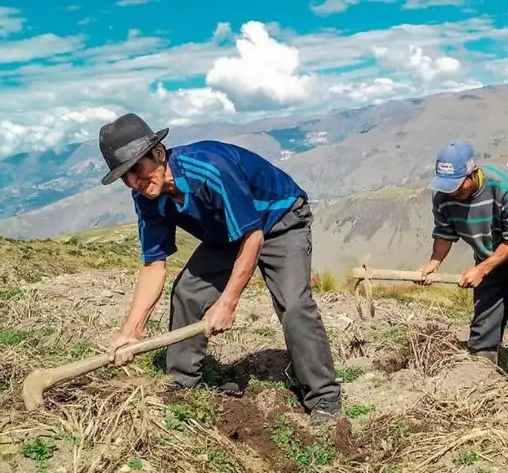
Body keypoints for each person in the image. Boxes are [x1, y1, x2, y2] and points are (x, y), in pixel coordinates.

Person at [96, 112, 343, 426]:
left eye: (137, 169)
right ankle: (182, 384)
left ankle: (324, 399)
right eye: (125, 176)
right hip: (228, 233)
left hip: (280, 220)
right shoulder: (147, 197)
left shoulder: (209, 168)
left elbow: (253, 237)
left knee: (294, 305)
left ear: (158, 153)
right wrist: (130, 333)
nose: (135, 182)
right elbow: (153, 265)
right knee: (186, 292)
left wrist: (227, 302)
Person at [415, 141, 508, 391]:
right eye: (447, 187)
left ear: (473, 173)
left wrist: (483, 269)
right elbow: (444, 232)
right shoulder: (443, 196)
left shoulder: (505, 187)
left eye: (458, 185)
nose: (453, 192)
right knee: (486, 313)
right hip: (488, 252)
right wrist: (435, 261)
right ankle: (483, 377)